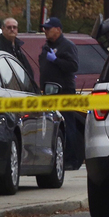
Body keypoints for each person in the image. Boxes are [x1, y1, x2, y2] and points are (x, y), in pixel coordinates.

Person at [39, 17, 83, 169]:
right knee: (54, 127)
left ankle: (71, 160)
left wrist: (56, 60)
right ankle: (57, 158)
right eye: (44, 28)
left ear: (58, 29)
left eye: (48, 28)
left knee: (68, 125)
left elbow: (73, 65)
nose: (45, 31)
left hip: (64, 91)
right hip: (50, 92)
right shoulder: (47, 46)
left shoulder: (66, 46)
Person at [0, 18, 35, 84]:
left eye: (14, 27)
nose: (12, 29)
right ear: (3, 28)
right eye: (9, 27)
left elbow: (28, 71)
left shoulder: (18, 47)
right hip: (4, 84)